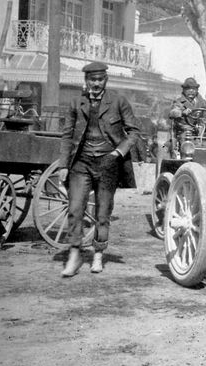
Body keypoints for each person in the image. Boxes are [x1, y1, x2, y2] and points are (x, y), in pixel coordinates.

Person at [58, 62, 140, 277]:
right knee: (75, 208)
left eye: (100, 79)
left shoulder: (119, 101)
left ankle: (98, 255)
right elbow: (67, 135)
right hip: (81, 163)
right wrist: (63, 165)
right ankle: (74, 255)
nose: (96, 83)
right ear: (86, 81)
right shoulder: (76, 102)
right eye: (92, 79)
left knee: (102, 213)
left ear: (106, 80)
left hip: (108, 164)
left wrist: (117, 153)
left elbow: (133, 132)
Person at [168, 77, 206, 155]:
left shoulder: (202, 102)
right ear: (183, 90)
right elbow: (173, 112)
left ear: (197, 90)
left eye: (193, 89)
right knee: (186, 146)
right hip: (184, 131)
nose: (191, 91)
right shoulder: (179, 102)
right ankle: (184, 157)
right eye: (188, 89)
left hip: (200, 131)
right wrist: (182, 112)